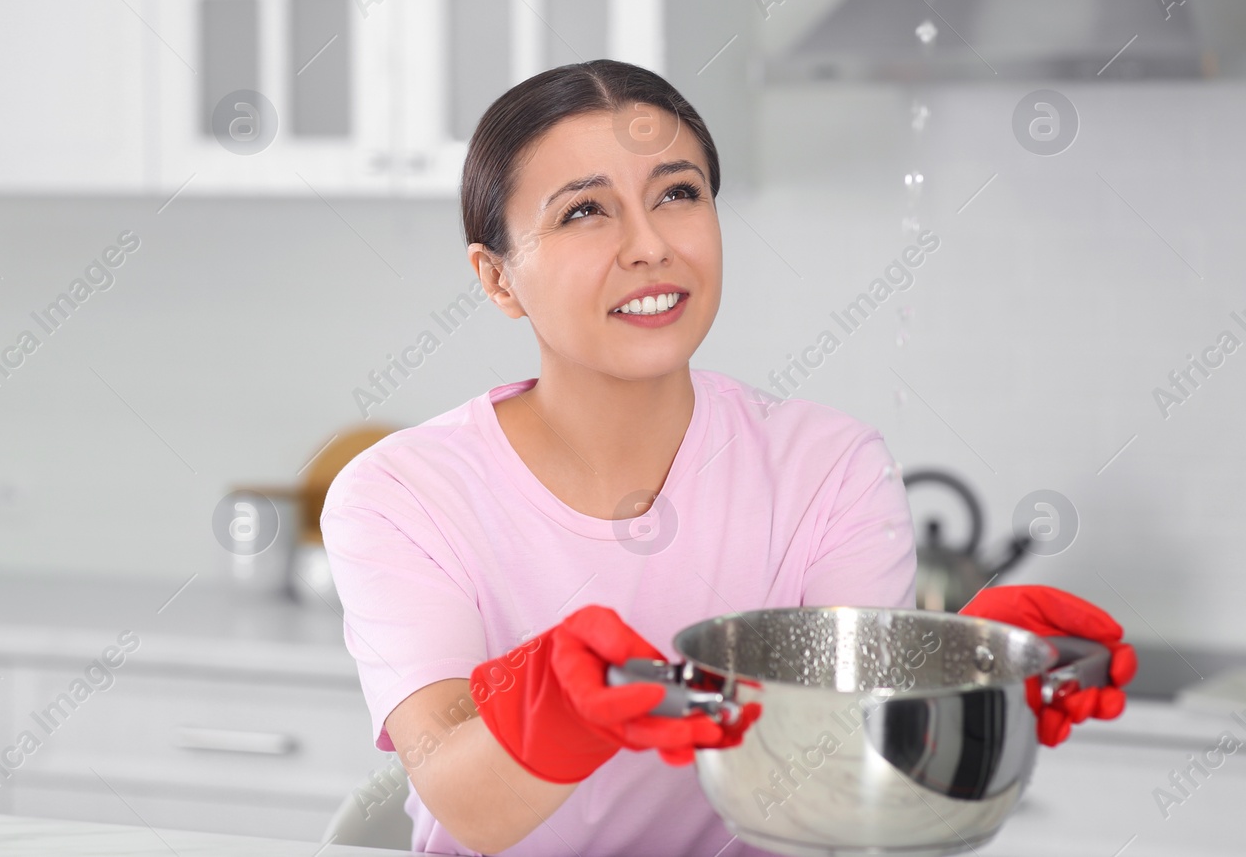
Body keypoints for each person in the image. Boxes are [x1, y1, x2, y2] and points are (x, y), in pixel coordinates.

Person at [321, 61, 1136, 856]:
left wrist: (954, 683)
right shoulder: (401, 494)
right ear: (497, 278)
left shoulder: (828, 467)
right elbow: (465, 802)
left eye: (678, 194)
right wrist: (563, 711)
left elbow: (844, 799)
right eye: (584, 212)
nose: (648, 246)